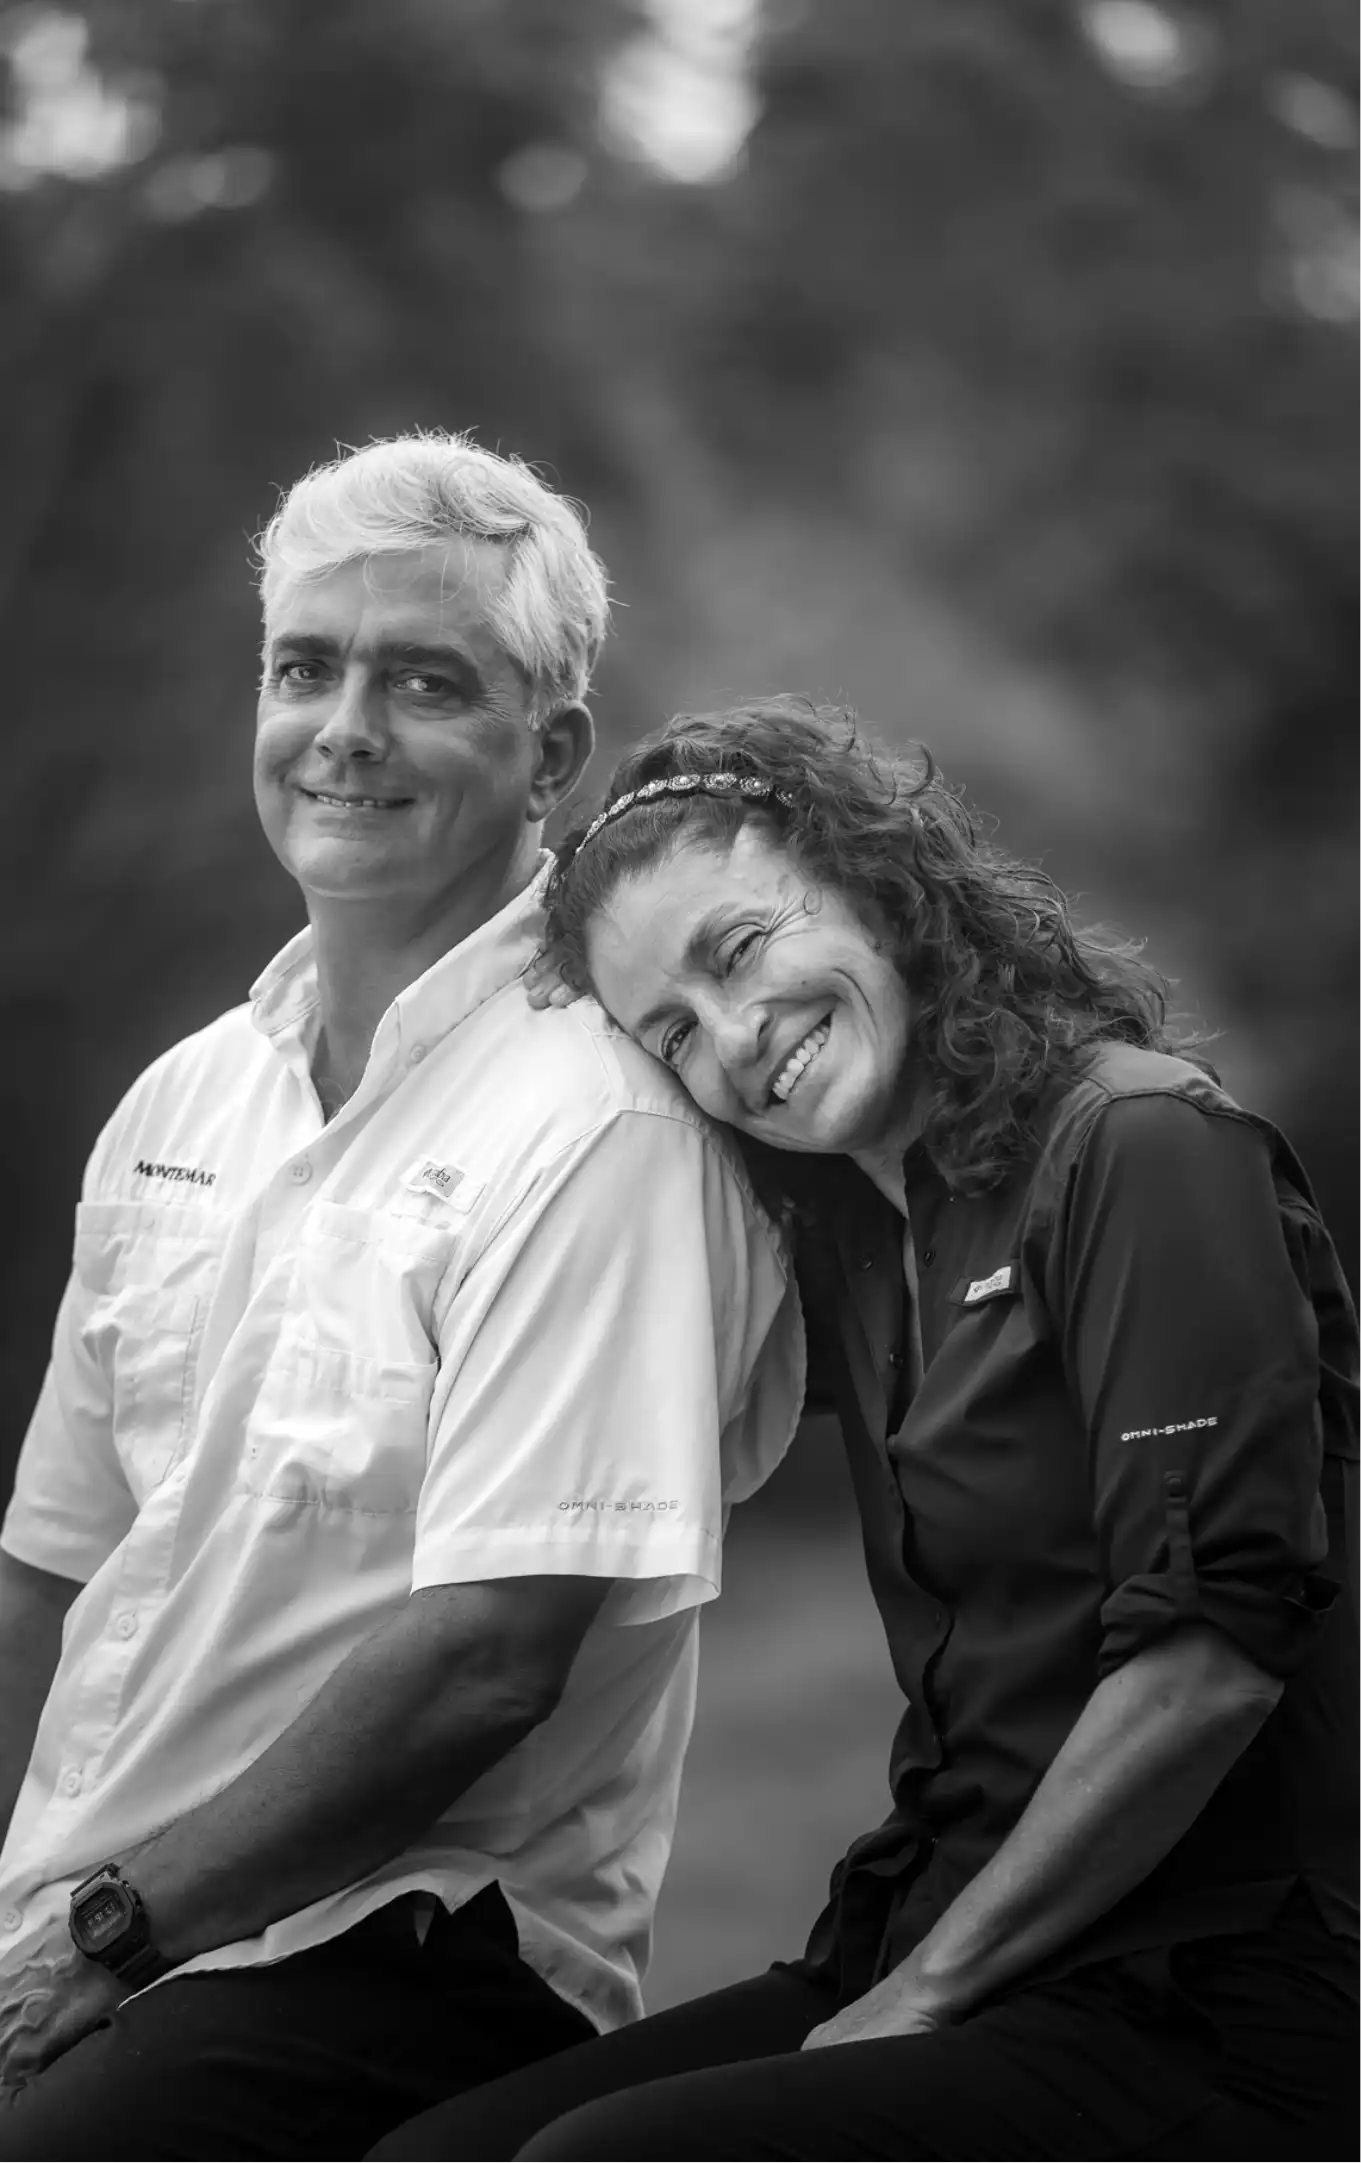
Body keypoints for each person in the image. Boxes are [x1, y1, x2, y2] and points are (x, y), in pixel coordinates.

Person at [366, 695, 1361, 2163]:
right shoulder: (853, 1234)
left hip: (1212, 1989)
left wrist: (927, 1992)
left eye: (741, 948)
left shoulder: (1143, 1147)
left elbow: (1209, 1662)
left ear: (866, 873)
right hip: (938, 1928)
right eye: (671, 1032)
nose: (734, 1037)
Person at [0, 449, 803, 2162]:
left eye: (424, 682)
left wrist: (104, 1940)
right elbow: (53, 1573)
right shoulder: (184, 1101)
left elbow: (485, 1668)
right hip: (88, 1929)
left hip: (397, 1952)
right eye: (306, 667)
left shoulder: (600, 1125)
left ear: (553, 752)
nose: (344, 728)